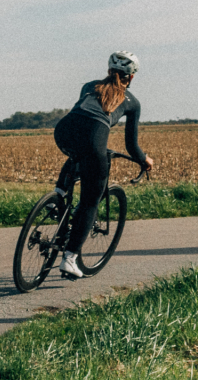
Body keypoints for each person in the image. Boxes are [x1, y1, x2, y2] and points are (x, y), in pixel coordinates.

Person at [52, 51, 154, 278]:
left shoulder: (89, 85)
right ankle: (70, 258)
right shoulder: (132, 103)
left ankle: (57, 196)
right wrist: (144, 159)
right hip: (93, 138)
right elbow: (132, 146)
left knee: (77, 155)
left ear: (108, 71)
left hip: (63, 131)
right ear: (132, 77)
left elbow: (83, 116)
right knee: (90, 200)